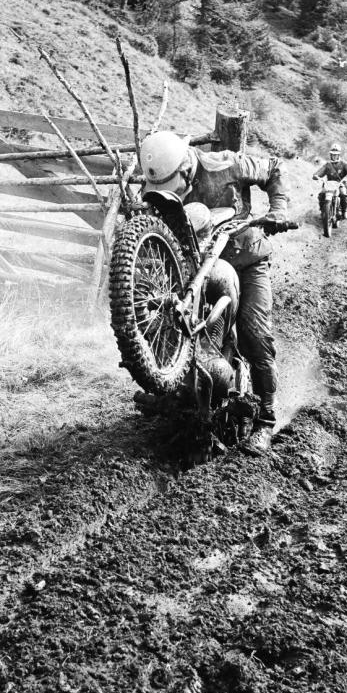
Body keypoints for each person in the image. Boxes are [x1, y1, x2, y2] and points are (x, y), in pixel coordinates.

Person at [139, 131, 291, 455]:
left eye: (172, 185)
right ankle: (171, 390)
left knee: (253, 333)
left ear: (184, 169)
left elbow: (273, 168)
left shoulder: (225, 165)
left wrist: (278, 208)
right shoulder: (158, 187)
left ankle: (266, 419)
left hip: (246, 259)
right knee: (167, 322)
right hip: (195, 269)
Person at [312, 143, 347, 219]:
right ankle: (323, 211)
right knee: (321, 194)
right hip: (329, 184)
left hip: (340, 183)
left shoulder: (344, 164)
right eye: (333, 154)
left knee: (343, 194)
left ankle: (344, 211)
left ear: (339, 155)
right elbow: (320, 171)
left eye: (336, 154)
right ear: (330, 155)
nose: (334, 156)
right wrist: (316, 175)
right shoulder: (328, 164)